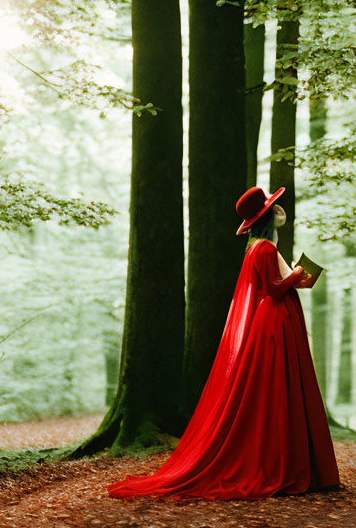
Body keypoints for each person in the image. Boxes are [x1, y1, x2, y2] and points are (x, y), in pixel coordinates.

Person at [106, 186, 341, 500]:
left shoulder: (254, 248)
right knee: (279, 387)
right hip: (275, 321)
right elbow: (273, 290)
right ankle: (289, 465)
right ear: (268, 217)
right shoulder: (266, 250)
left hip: (271, 320)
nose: (278, 213)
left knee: (275, 388)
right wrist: (298, 272)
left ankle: (292, 463)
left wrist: (293, 276)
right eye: (274, 209)